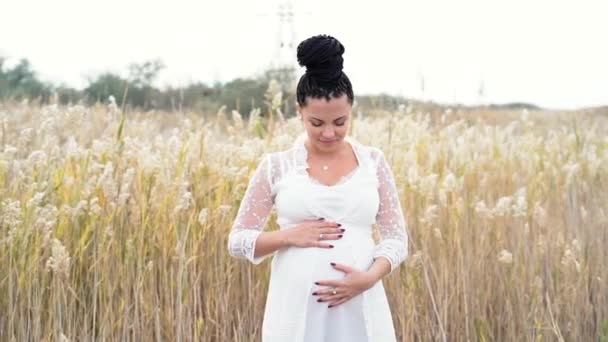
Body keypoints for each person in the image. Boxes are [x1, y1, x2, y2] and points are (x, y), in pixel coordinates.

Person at [227, 34, 409, 342]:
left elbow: (396, 238)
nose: (328, 133)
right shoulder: (277, 166)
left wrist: (368, 278)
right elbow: (238, 241)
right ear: (300, 111)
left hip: (360, 304)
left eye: (340, 122)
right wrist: (288, 236)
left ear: (351, 110)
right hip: (296, 308)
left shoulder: (373, 162)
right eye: (316, 123)